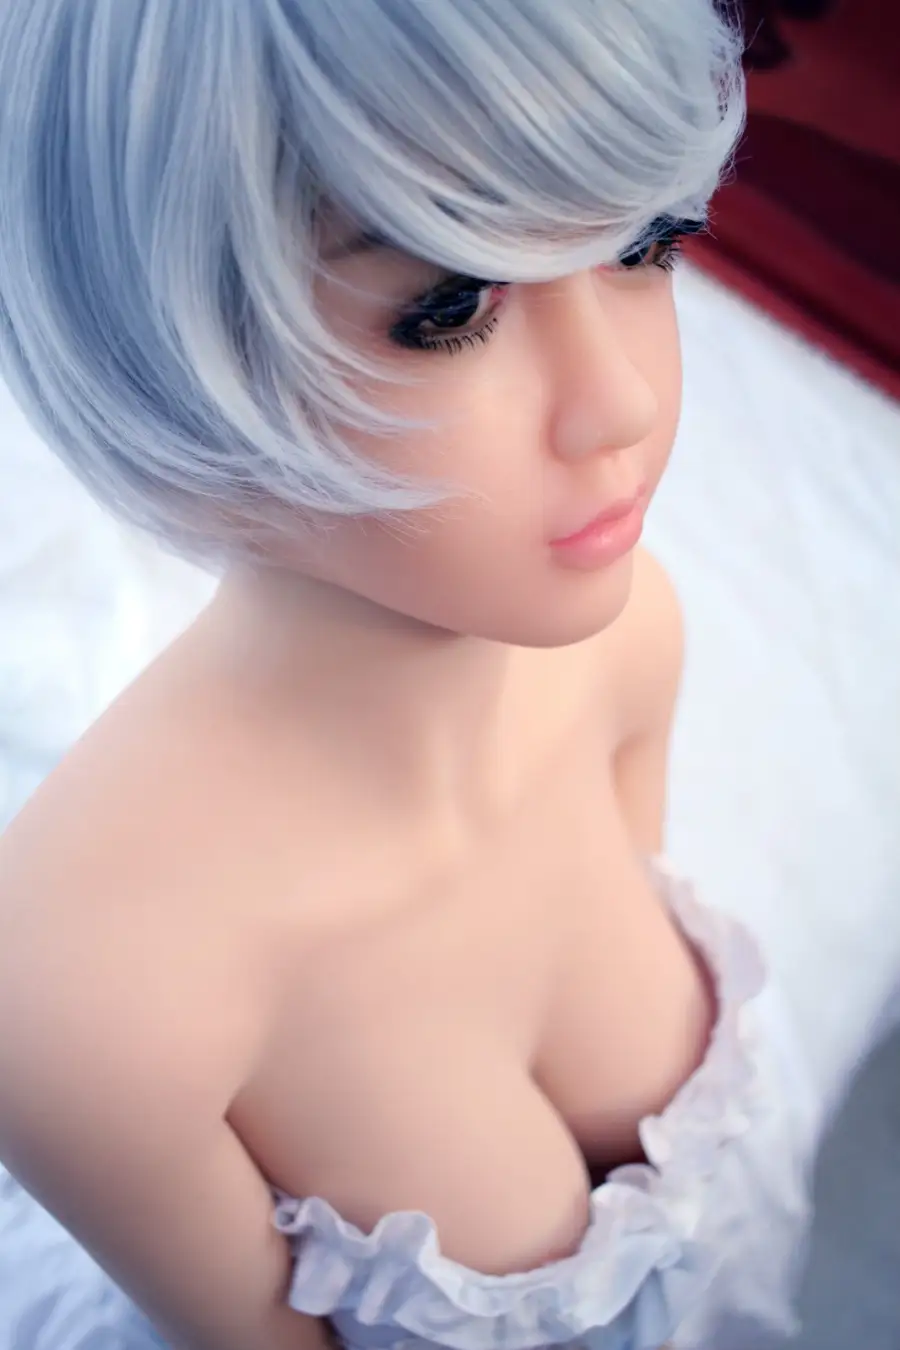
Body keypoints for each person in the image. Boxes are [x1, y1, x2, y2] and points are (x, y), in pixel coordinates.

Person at [0, 3, 812, 1347]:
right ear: (163, 352)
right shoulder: (79, 997)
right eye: (448, 309)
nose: (619, 402)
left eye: (643, 243)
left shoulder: (627, 644)